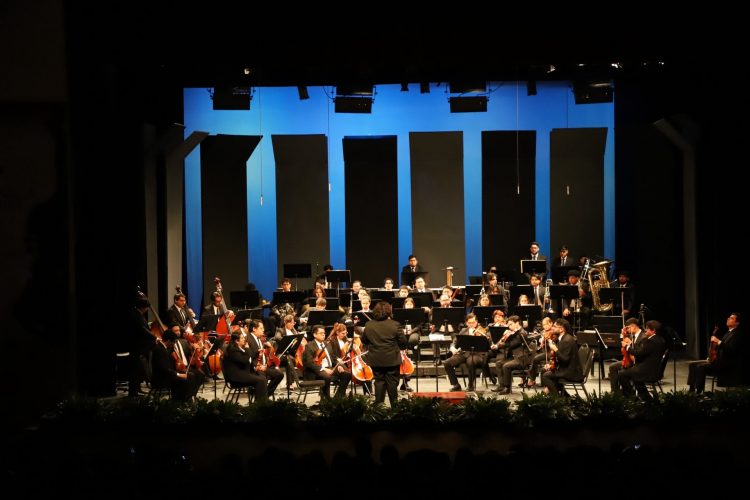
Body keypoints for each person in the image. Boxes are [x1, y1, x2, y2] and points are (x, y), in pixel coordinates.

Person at [362, 301, 407, 404]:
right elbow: (403, 342)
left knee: (379, 381)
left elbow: (364, 341)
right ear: (388, 311)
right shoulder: (395, 324)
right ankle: (394, 407)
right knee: (392, 383)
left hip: (376, 359)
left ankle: (379, 407)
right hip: (392, 359)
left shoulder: (369, 325)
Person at [688, 313, 745, 392]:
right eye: (729, 317)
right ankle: (691, 390)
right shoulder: (728, 333)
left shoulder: (737, 334)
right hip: (718, 361)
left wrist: (718, 341)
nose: (728, 319)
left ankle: (698, 392)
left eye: (731, 318)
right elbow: (720, 349)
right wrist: (711, 357)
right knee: (692, 365)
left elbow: (731, 350)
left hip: (726, 365)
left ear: (737, 323)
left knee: (701, 367)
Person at [618, 320, 667, 399]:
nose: (645, 330)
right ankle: (646, 398)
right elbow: (643, 351)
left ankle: (631, 398)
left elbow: (638, 353)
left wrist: (627, 346)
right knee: (634, 377)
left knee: (622, 374)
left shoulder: (651, 341)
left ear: (653, 330)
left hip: (647, 371)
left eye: (647, 328)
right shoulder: (660, 339)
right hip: (653, 369)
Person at [151, 329, 202, 401]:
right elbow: (164, 369)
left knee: (197, 374)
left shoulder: (164, 348)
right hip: (161, 378)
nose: (174, 344)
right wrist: (178, 374)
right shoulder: (160, 350)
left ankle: (188, 397)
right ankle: (182, 400)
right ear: (169, 341)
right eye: (174, 342)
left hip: (168, 374)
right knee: (188, 378)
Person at [444, 313, 489, 392]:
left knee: (471, 362)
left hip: (477, 354)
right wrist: (452, 348)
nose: (471, 324)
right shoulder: (463, 330)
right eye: (469, 323)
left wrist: (482, 337)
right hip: (464, 353)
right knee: (447, 363)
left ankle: (470, 386)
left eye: (473, 322)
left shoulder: (482, 330)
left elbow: (487, 344)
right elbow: (455, 341)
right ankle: (456, 385)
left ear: (476, 322)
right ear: (466, 323)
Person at [304, 324, 351, 399]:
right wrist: (324, 369)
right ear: (314, 335)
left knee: (347, 374)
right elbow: (309, 362)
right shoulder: (309, 346)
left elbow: (333, 357)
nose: (323, 335)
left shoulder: (327, 344)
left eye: (324, 333)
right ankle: (326, 399)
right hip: (317, 370)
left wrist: (338, 365)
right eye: (321, 333)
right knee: (327, 376)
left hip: (330, 367)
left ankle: (338, 397)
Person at [123, 297, 156, 397]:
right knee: (135, 369)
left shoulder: (137, 314)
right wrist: (154, 337)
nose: (147, 309)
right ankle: (133, 391)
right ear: (143, 307)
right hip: (136, 346)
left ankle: (137, 388)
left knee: (138, 369)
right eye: (146, 307)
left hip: (140, 345)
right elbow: (142, 329)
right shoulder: (135, 315)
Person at [490, 315, 532, 394]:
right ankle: (501, 385)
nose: (509, 326)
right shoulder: (514, 333)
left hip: (521, 359)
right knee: (499, 363)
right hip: (514, 357)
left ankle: (507, 388)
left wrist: (502, 342)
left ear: (517, 323)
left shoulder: (522, 333)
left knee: (506, 366)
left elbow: (511, 344)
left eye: (510, 324)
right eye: (508, 324)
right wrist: (498, 344)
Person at [222, 330, 269, 401]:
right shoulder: (232, 350)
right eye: (242, 338)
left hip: (243, 373)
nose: (244, 339)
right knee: (261, 381)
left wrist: (254, 367)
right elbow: (244, 360)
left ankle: (263, 401)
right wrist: (247, 349)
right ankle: (260, 403)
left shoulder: (239, 348)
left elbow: (247, 359)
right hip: (236, 377)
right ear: (237, 341)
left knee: (263, 378)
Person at [540, 318, 582, 396]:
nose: (552, 328)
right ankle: (565, 396)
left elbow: (565, 359)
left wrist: (555, 349)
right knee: (546, 371)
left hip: (571, 372)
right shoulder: (563, 338)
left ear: (561, 329)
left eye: (555, 326)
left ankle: (557, 399)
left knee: (546, 376)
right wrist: (551, 365)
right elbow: (561, 358)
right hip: (567, 368)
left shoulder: (566, 340)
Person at [609, 318, 647, 393]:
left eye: (627, 328)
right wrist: (622, 335)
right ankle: (615, 392)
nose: (627, 330)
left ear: (633, 326)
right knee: (612, 367)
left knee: (622, 372)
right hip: (629, 360)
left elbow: (639, 353)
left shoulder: (643, 337)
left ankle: (629, 393)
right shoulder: (631, 336)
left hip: (637, 362)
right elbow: (623, 348)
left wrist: (630, 344)